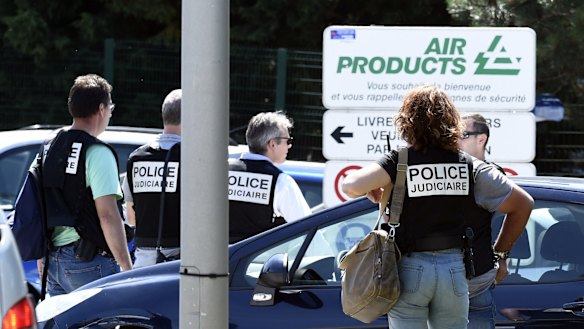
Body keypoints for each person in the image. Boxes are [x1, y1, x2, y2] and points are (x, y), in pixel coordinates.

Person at [342, 85, 533, 329]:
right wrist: (501, 255)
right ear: (453, 122)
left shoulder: (400, 161)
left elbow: (350, 186)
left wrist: (375, 186)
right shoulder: (469, 166)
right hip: (455, 271)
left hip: (409, 268)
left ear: (407, 122)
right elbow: (524, 203)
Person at [40, 74, 132, 296]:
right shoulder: (97, 152)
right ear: (101, 109)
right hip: (88, 262)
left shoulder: (50, 147)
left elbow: (41, 204)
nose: (110, 112)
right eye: (111, 107)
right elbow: (108, 215)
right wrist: (128, 269)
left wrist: (40, 255)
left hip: (52, 261)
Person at [228, 111, 311, 243]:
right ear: (272, 144)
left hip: (214, 258)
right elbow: (307, 227)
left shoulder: (222, 173)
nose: (289, 146)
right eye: (287, 141)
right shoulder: (280, 181)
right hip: (255, 261)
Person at [122, 89, 182, 268]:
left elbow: (131, 218)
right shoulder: (193, 158)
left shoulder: (136, 157)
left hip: (143, 260)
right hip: (180, 260)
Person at [459, 113, 507, 329]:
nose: (456, 140)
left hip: (479, 276)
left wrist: (502, 257)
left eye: (462, 134)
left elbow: (511, 216)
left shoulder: (494, 176)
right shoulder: (451, 172)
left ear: (481, 139)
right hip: (445, 275)